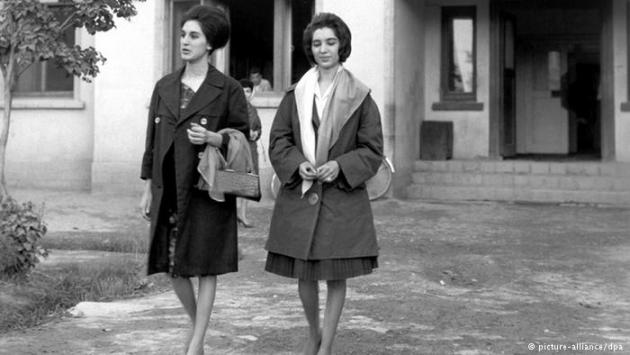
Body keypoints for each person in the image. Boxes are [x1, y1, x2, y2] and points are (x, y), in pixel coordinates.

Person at [264, 13, 384, 355]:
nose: (323, 49)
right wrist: (297, 163)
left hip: (341, 199)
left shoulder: (361, 96)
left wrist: (340, 165)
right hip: (301, 197)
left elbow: (373, 149)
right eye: (317, 43)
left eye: (330, 42)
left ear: (341, 45)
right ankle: (313, 334)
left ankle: (326, 346)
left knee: (335, 276)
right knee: (304, 276)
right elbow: (279, 141)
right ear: (310, 48)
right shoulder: (296, 94)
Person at [139, 5, 249, 355]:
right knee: (173, 266)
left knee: (205, 266)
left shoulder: (227, 88)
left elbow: (243, 138)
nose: (185, 41)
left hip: (208, 190)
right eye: (183, 34)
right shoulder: (164, 86)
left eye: (193, 36)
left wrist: (215, 139)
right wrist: (146, 187)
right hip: (168, 188)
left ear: (210, 43)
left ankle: (195, 345)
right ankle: (197, 334)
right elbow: (151, 142)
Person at [236, 78, 262, 228]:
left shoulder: (253, 109)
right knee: (234, 180)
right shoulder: (234, 108)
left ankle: (243, 214)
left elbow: (259, 127)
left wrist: (256, 133)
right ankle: (233, 214)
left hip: (251, 148)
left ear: (252, 93)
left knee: (248, 181)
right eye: (242, 91)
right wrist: (246, 132)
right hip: (238, 148)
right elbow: (231, 126)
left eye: (248, 91)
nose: (245, 94)